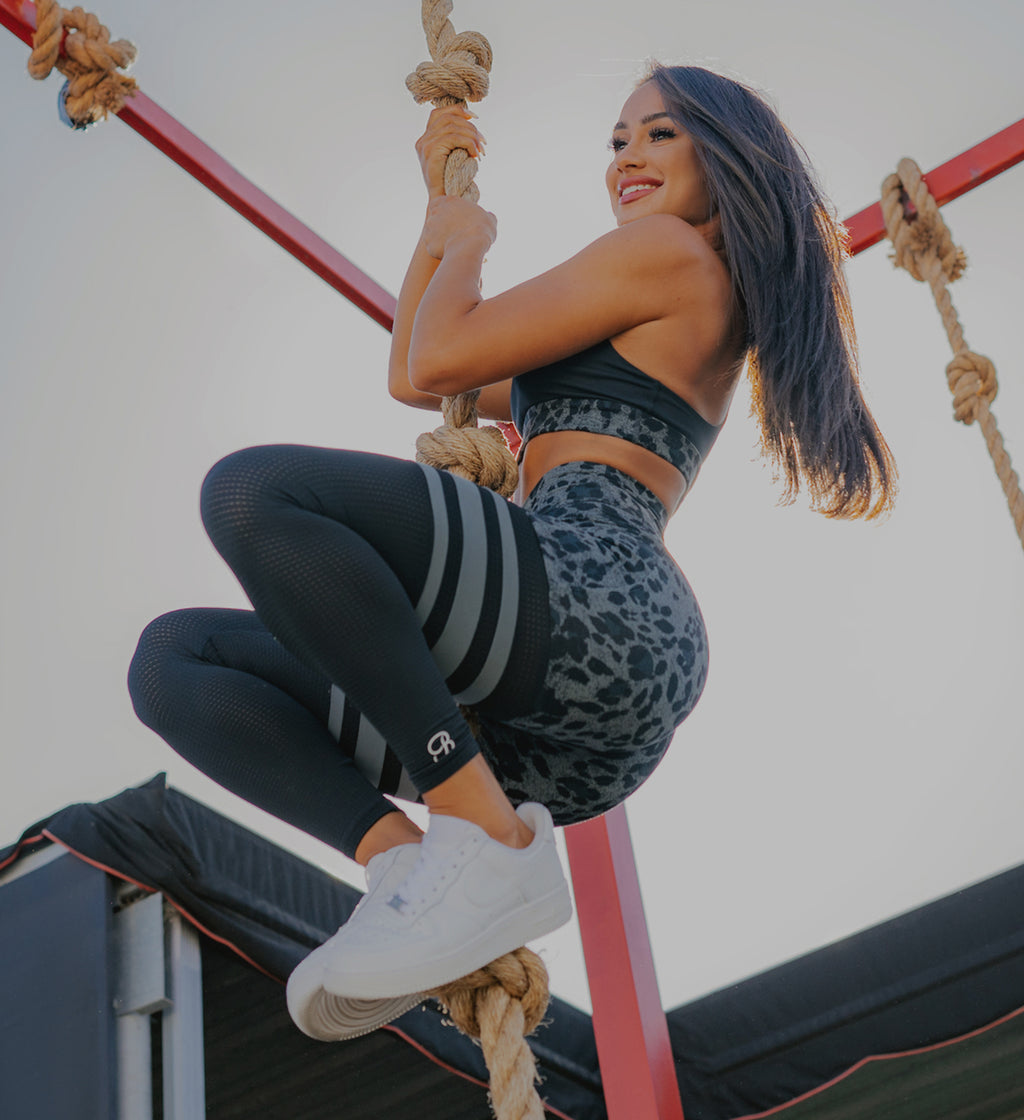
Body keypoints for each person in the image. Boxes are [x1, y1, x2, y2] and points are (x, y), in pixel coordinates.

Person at [128, 63, 895, 1041]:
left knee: (257, 495)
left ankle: (481, 838)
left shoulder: (667, 254)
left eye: (659, 134)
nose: (627, 158)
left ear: (727, 153)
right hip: (556, 724)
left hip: (592, 595)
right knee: (177, 662)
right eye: (616, 141)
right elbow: (418, 373)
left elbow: (442, 353)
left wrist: (464, 238)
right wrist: (440, 230)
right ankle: (414, 867)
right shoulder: (663, 297)